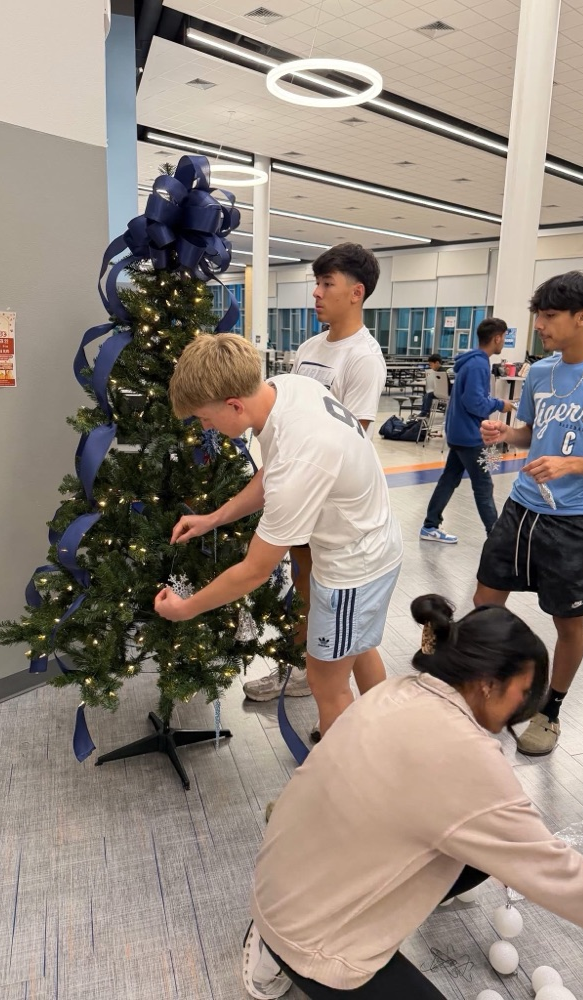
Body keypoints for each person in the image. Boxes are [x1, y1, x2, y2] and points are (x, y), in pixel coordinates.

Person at [242, 595, 583, 1000]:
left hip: (278, 882)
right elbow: (568, 885)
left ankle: (280, 936)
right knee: (503, 860)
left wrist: (523, 848)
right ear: (488, 683)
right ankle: (286, 951)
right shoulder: (464, 757)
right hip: (310, 935)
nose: (522, 709)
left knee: (485, 859)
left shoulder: (398, 690)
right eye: (523, 694)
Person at [155, 333, 402, 745]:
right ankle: (387, 744)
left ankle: (342, 788)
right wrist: (213, 518)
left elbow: (253, 571)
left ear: (234, 404)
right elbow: (269, 476)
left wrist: (186, 609)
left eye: (205, 418)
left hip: (354, 567)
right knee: (356, 649)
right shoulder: (286, 389)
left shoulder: (301, 455)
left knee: (327, 685)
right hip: (372, 542)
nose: (205, 427)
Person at [476, 272, 583, 758]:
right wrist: (507, 436)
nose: (540, 326)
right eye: (539, 316)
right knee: (486, 600)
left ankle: (550, 709)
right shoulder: (541, 372)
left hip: (573, 519)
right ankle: (488, 683)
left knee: (567, 621)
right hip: (522, 507)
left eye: (549, 316)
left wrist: (572, 464)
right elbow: (533, 433)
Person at [243, 243, 385, 705]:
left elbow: (350, 441)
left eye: (328, 285)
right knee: (307, 594)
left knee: (343, 615)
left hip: (333, 510)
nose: (316, 294)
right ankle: (302, 669)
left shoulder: (363, 357)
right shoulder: (309, 347)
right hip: (301, 499)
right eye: (317, 283)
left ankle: (366, 710)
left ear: (356, 293)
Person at [420, 318, 513, 543]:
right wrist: (500, 404)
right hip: (471, 436)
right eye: (504, 337)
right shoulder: (479, 364)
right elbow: (474, 403)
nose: (504, 342)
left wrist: (491, 401)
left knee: (449, 478)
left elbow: (473, 398)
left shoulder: (472, 361)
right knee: (483, 484)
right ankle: (496, 537)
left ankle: (430, 525)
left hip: (459, 432)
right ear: (497, 337)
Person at [417, 353, 444, 418]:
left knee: (429, 394)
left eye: (431, 365)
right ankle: (424, 411)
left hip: (442, 391)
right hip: (438, 390)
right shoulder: (437, 371)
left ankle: (425, 412)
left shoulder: (441, 372)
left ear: (437, 363)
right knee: (426, 392)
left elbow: (441, 384)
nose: (430, 367)